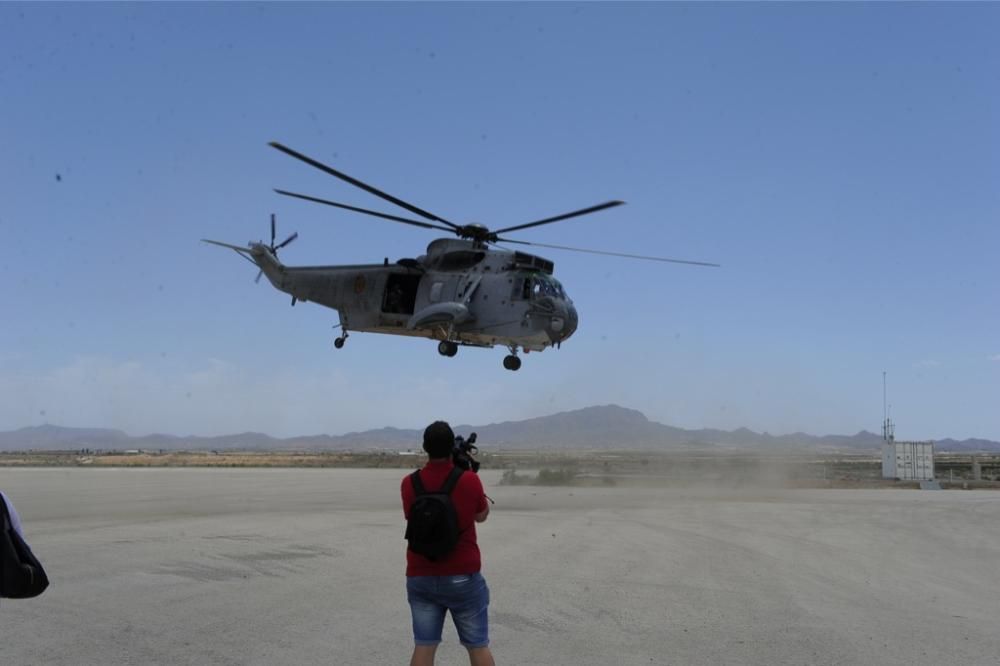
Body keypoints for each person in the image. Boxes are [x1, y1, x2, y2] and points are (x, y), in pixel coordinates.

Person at [401, 421, 494, 666]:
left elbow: (413, 518)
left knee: (424, 645)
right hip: (462, 576)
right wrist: (466, 472)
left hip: (420, 575)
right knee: (477, 646)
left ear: (425, 448)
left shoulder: (409, 483)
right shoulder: (469, 481)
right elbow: (481, 516)